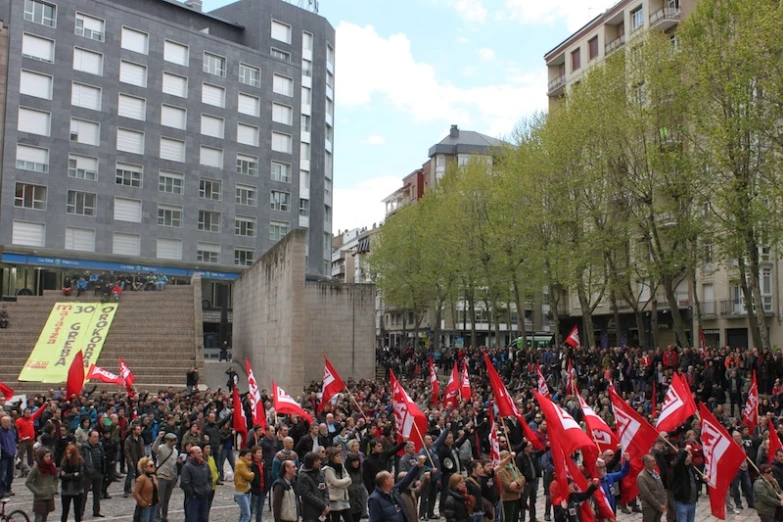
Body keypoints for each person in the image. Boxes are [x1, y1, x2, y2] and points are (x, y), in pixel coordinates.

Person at [180, 446, 212, 522]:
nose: (201, 454)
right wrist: (193, 494)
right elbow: (185, 483)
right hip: (194, 498)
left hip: (204, 496)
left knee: (204, 518)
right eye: (198, 453)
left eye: (201, 452)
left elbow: (210, 478)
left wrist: (208, 488)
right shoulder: (187, 467)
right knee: (192, 518)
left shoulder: (205, 464)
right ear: (192, 455)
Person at [25, 448, 58, 522]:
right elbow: (28, 482)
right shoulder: (36, 468)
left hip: (49, 496)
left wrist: (54, 488)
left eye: (49, 456)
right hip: (40, 498)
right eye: (46, 456)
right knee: (38, 518)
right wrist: (37, 491)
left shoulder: (52, 467)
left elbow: (56, 478)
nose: (48, 458)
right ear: (41, 457)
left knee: (45, 518)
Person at [153, 432, 178, 522]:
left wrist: (175, 477)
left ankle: (164, 516)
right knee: (160, 498)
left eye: (174, 440)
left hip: (171, 476)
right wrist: (158, 438)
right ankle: (156, 516)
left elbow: (174, 465)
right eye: (171, 440)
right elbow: (154, 449)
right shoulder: (162, 448)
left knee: (167, 499)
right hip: (162, 475)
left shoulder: (175, 451)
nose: (173, 442)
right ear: (167, 440)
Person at [299, 451, 330, 522]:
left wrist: (326, 505)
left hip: (324, 511)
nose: (319, 462)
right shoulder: (303, 477)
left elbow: (325, 490)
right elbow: (307, 495)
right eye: (317, 460)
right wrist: (323, 505)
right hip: (311, 513)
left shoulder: (320, 473)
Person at [324, 447, 352, 522]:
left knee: (349, 519)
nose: (340, 458)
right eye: (337, 456)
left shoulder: (341, 466)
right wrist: (345, 481)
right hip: (335, 499)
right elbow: (335, 482)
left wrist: (342, 482)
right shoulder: (328, 469)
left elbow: (349, 479)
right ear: (332, 457)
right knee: (336, 519)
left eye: (340, 455)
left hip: (344, 498)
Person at [82, 430, 106, 518]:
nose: (96, 439)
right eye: (94, 437)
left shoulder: (99, 446)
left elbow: (103, 457)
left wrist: (103, 470)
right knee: (84, 494)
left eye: (97, 437)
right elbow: (82, 460)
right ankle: (80, 512)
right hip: (88, 473)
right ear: (89, 437)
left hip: (98, 472)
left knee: (97, 493)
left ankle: (96, 511)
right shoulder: (85, 447)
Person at [496, 451, 524, 522]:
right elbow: (507, 486)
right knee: (509, 518)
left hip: (517, 497)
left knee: (515, 517)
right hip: (508, 499)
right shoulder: (501, 471)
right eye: (505, 457)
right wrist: (520, 488)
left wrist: (517, 483)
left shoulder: (513, 467)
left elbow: (522, 478)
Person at [637, 454, 667, 522]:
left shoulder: (655, 473)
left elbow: (661, 487)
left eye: (654, 461)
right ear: (646, 463)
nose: (654, 463)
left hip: (660, 506)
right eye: (652, 461)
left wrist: (664, 502)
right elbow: (647, 494)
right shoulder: (642, 477)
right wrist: (658, 505)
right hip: (649, 508)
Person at [60, 443, 84, 522]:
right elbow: (61, 475)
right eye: (67, 453)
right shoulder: (64, 462)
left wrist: (67, 476)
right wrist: (73, 475)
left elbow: (80, 475)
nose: (68, 455)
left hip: (77, 489)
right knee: (65, 511)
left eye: (70, 453)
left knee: (77, 512)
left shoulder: (79, 461)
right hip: (66, 489)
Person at [671, 448, 697, 522]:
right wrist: (685, 451)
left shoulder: (691, 466)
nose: (691, 456)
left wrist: (703, 479)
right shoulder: (679, 468)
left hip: (692, 501)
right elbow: (678, 461)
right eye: (689, 455)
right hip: (682, 501)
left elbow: (695, 478)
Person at [133, 457, 160, 522]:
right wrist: (142, 502)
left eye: (153, 465)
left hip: (154, 503)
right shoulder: (141, 479)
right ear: (145, 468)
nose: (153, 467)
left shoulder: (153, 477)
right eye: (151, 466)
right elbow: (135, 492)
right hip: (146, 505)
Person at [235, 447, 255, 522]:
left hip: (246, 490)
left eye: (250, 456)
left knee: (243, 514)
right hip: (241, 491)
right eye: (248, 456)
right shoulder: (241, 464)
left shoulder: (245, 463)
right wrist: (253, 473)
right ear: (243, 456)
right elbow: (248, 476)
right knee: (247, 515)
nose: (250, 458)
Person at [124, 424, 145, 498]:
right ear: (133, 431)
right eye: (138, 429)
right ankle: (126, 490)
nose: (139, 431)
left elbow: (142, 449)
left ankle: (138, 490)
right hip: (132, 460)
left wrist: (143, 459)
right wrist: (130, 461)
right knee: (130, 476)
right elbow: (126, 451)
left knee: (139, 476)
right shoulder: (128, 440)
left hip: (139, 460)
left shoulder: (140, 439)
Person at [0, 415, 16, 499]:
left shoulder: (11, 431)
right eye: (8, 421)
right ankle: (2, 490)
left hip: (11, 455)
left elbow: (13, 441)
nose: (9, 423)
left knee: (10, 473)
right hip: (4, 456)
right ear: (3, 422)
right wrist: (5, 451)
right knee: (3, 474)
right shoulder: (0, 431)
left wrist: (13, 451)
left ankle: (8, 488)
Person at [249, 446, 265, 522]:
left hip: (262, 489)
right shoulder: (251, 465)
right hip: (254, 490)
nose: (260, 454)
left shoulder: (263, 463)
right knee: (251, 510)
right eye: (258, 452)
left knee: (260, 511)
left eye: (261, 452)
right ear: (254, 454)